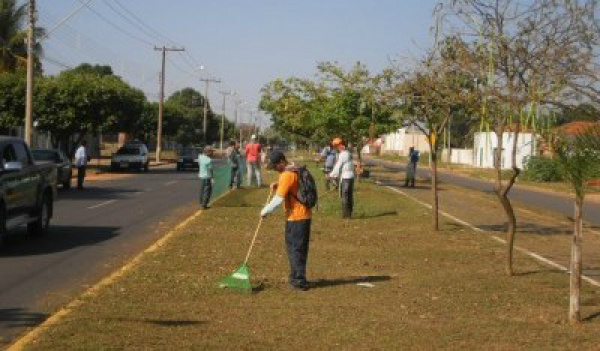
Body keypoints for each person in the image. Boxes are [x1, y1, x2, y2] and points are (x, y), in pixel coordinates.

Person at [261, 151, 312, 291]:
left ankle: (299, 281)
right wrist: (278, 184)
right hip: (297, 217)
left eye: (275, 166)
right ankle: (295, 276)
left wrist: (265, 211)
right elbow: (292, 188)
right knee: (294, 248)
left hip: (298, 217)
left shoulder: (287, 175)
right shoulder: (293, 171)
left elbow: (278, 199)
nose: (275, 169)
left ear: (282, 162)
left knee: (296, 249)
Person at [328, 137, 355, 218]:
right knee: (349, 196)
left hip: (346, 178)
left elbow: (337, 166)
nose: (335, 148)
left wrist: (330, 175)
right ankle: (349, 214)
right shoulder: (347, 153)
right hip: (351, 177)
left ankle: (346, 215)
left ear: (340, 145)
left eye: (336, 146)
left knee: (345, 197)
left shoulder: (343, 154)